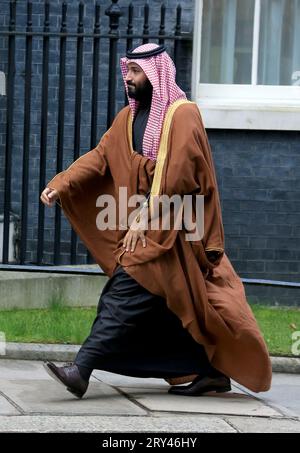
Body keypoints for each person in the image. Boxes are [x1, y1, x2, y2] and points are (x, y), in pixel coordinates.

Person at [40, 43, 272, 399]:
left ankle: (80, 370)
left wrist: (144, 219)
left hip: (173, 225)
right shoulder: (128, 118)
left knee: (124, 289)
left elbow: (178, 175)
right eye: (128, 71)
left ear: (154, 75)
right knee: (164, 305)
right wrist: (61, 183)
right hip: (147, 223)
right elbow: (101, 156)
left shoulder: (182, 114)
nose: (128, 79)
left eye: (135, 73)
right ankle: (203, 369)